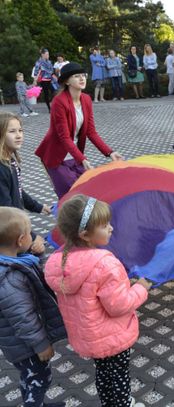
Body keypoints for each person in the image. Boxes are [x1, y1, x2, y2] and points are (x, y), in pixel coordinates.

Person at [44, 194, 152, 407]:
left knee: (103, 372)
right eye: (104, 225)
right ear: (85, 234)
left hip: (90, 336)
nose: (111, 228)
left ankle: (109, 403)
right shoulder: (104, 264)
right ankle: (123, 404)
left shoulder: (59, 261)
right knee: (119, 374)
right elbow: (119, 305)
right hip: (112, 336)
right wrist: (141, 287)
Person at [0, 207, 66, 407]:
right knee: (39, 380)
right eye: (30, 233)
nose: (32, 236)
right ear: (20, 240)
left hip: (19, 343)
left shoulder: (15, 263)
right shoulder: (9, 278)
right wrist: (41, 344)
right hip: (25, 346)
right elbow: (23, 318)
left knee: (29, 378)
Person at [35, 63, 124, 199]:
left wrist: (109, 152)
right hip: (56, 156)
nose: (82, 79)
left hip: (74, 155)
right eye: (76, 76)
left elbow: (91, 132)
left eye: (83, 75)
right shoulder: (59, 102)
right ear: (66, 81)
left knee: (85, 192)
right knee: (71, 197)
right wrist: (82, 159)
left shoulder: (86, 99)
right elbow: (64, 137)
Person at [0, 111, 51, 256]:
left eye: (20, 130)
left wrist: (38, 207)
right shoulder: (2, 167)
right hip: (7, 231)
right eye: (12, 131)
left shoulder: (9, 160)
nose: (18, 135)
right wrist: (32, 237)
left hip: (14, 227)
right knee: (38, 253)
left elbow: (18, 190)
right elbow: (7, 210)